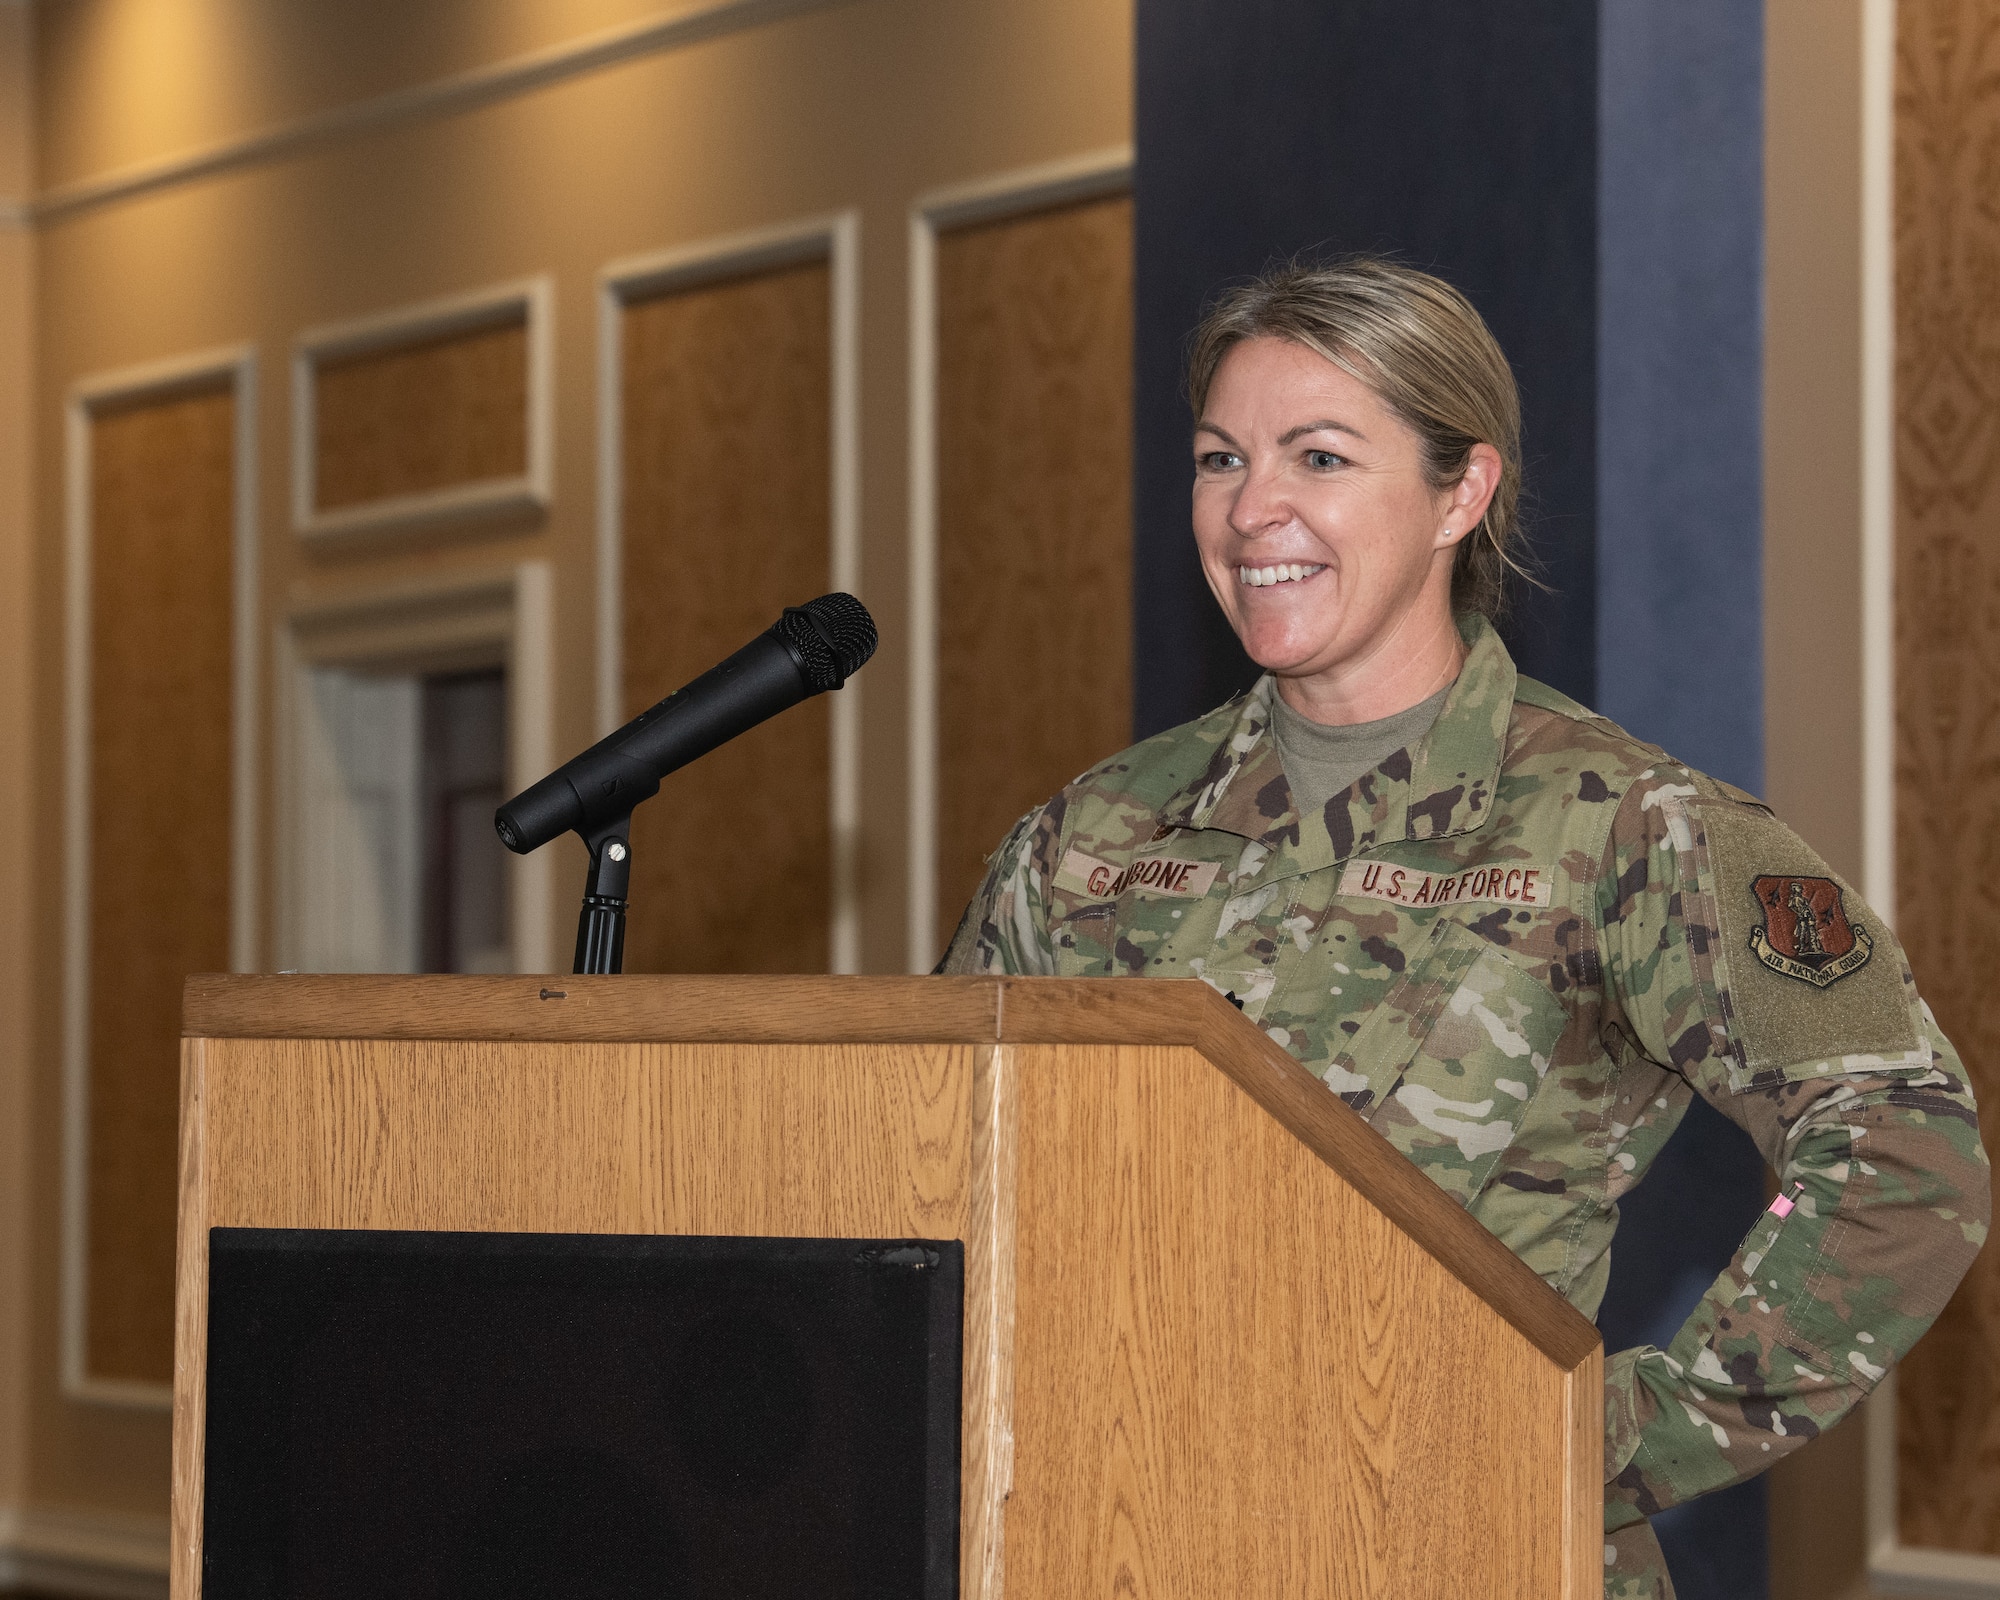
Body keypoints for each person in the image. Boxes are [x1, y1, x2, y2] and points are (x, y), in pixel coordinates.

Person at [939, 258, 1989, 1599]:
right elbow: (945, 1179)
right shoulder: (1092, 836)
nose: (1253, 508)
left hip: (1467, 1551)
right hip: (1121, 1547)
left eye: (1318, 456)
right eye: (1219, 459)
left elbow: (1904, 1149)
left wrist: (1607, 1431)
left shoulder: (1623, 822)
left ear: (1462, 491)